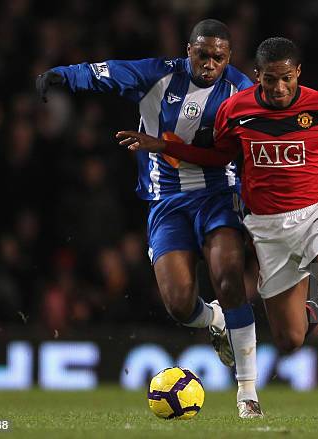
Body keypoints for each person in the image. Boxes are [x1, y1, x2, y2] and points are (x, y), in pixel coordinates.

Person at [116, 37, 318, 419]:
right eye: (270, 80)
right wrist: (162, 146)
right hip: (267, 230)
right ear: (257, 76)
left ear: (298, 73)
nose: (278, 88)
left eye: (286, 78)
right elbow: (217, 157)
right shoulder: (235, 110)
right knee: (289, 340)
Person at [36, 19, 263, 418]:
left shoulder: (241, 90)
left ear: (228, 58)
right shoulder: (157, 74)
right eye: (203, 54)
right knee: (178, 304)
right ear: (187, 49)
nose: (210, 63)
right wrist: (61, 75)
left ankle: (247, 393)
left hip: (218, 196)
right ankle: (215, 320)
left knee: (228, 275)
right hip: (167, 200)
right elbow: (104, 73)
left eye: (219, 57)